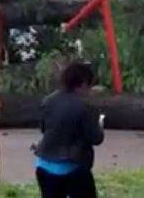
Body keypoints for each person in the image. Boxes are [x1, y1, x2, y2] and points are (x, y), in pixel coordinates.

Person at [33, 61, 105, 198]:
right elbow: (96, 138)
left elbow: (43, 129)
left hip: (44, 166)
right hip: (72, 167)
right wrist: (100, 125)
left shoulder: (48, 101)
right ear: (83, 83)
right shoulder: (84, 107)